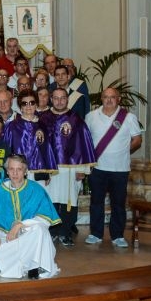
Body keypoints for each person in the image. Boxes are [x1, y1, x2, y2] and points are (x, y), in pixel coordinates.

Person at [0, 154, 61, 279]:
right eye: (11, 169)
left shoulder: (36, 189)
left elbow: (45, 219)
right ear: (7, 171)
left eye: (19, 169)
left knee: (40, 230)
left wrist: (20, 225)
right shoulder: (0, 191)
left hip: (30, 235)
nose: (15, 173)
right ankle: (28, 263)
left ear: (25, 171)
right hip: (8, 236)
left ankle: (35, 266)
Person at [84, 87, 142, 248]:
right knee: (96, 202)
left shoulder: (128, 118)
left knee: (118, 203)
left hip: (120, 169)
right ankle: (96, 234)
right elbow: (85, 141)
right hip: (98, 168)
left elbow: (137, 140)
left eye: (112, 97)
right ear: (101, 99)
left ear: (118, 99)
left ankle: (117, 235)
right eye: (105, 97)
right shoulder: (91, 117)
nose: (109, 100)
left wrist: (124, 150)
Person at [39, 88, 96, 246]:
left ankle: (65, 232)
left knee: (68, 201)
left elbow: (84, 143)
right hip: (51, 168)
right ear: (51, 99)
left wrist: (82, 169)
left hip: (70, 169)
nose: (59, 101)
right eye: (56, 98)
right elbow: (40, 146)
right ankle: (51, 231)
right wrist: (43, 171)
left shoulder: (76, 119)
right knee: (51, 200)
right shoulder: (43, 119)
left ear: (67, 99)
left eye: (62, 98)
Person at [3, 90, 58, 177]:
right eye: (24, 103)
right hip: (18, 173)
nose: (28, 106)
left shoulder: (43, 126)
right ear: (20, 107)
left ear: (36, 105)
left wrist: (48, 173)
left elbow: (47, 151)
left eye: (32, 103)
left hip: (40, 172)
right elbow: (6, 151)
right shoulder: (12, 126)